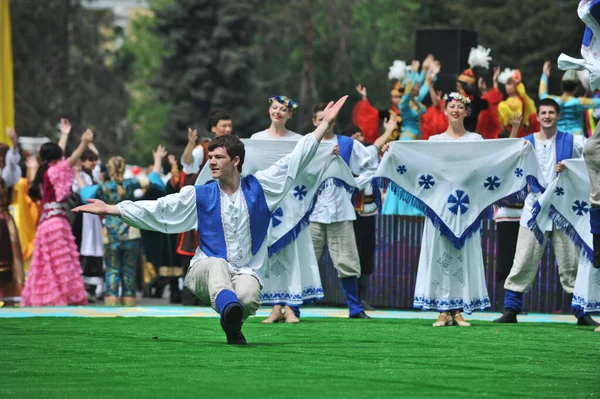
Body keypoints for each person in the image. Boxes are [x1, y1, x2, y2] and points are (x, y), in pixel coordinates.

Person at [74, 96, 349, 345]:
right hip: (203, 273)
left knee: (250, 295)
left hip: (244, 271)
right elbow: (159, 208)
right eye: (211, 157)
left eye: (219, 157)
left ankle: (232, 325)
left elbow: (296, 158)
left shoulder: (261, 187)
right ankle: (229, 309)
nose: (213, 162)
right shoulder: (200, 194)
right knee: (217, 264)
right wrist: (113, 209)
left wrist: (323, 125)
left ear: (236, 160)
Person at [495, 98, 591, 324]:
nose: (547, 116)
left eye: (551, 112)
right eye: (543, 113)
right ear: (537, 117)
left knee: (571, 261)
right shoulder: (526, 143)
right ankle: (511, 309)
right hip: (534, 209)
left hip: (562, 209)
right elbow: (506, 158)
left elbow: (591, 155)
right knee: (523, 258)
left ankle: (581, 311)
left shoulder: (572, 141)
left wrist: (569, 167)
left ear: (558, 116)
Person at [249, 95, 322, 324]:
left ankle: (291, 306)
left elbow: (310, 164)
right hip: (268, 204)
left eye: (283, 109)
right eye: (274, 107)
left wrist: (330, 154)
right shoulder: (256, 139)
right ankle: (274, 307)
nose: (278, 111)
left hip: (291, 203)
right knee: (269, 254)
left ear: (289, 115)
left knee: (292, 254)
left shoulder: (299, 140)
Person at [309, 101, 382, 319]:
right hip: (311, 213)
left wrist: (354, 183)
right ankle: (292, 308)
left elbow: (372, 164)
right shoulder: (307, 143)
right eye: (321, 118)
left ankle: (355, 308)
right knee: (306, 260)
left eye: (329, 118)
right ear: (314, 121)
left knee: (348, 260)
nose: (325, 122)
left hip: (341, 211)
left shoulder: (348, 145)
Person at [79, 147, 167, 306]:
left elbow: (84, 194)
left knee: (112, 270)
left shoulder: (103, 187)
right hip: (131, 233)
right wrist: (157, 160)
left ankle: (111, 304)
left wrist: (77, 175)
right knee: (129, 271)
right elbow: (155, 181)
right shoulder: (131, 183)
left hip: (110, 234)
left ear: (110, 169)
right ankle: (129, 304)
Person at [21, 129, 94, 307]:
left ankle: (47, 297)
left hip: (47, 223)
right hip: (56, 225)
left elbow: (60, 159)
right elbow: (70, 161)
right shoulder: (54, 171)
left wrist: (65, 135)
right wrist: (83, 142)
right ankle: (60, 297)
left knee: (48, 263)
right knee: (60, 264)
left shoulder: (48, 170)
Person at [177, 110, 233, 305]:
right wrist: (191, 144)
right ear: (213, 128)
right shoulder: (203, 148)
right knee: (197, 247)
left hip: (227, 205)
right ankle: (191, 295)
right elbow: (187, 163)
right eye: (223, 126)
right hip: (206, 206)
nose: (227, 129)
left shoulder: (235, 148)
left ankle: (219, 293)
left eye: (229, 126)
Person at [341, 120, 396, 310]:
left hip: (368, 214)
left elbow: (377, 148)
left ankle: (363, 298)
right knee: (351, 254)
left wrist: (388, 132)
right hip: (350, 214)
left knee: (366, 254)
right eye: (352, 136)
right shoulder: (342, 160)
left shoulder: (370, 159)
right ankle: (353, 298)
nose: (357, 139)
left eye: (360, 135)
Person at [72, 148, 104, 302]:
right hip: (82, 218)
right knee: (82, 248)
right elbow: (82, 193)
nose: (93, 163)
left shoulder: (94, 176)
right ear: (82, 161)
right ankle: (80, 287)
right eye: (90, 160)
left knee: (95, 249)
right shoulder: (78, 176)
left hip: (94, 219)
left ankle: (91, 287)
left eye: (94, 160)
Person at [539, 61, 600, 136]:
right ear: (576, 88)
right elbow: (598, 102)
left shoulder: (554, 101)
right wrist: (592, 88)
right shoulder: (580, 102)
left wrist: (544, 75)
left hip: (559, 138)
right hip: (577, 139)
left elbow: (542, 94)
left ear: (562, 86)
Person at [0, 128, 24, 305]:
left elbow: (12, 167)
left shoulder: (6, 177)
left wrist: (15, 145)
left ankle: (7, 296)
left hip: (4, 220)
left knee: (7, 257)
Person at [497, 69, 539, 138]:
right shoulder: (510, 100)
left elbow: (514, 118)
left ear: (516, 85)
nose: (506, 86)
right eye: (506, 84)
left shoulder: (518, 101)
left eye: (509, 84)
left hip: (516, 133)